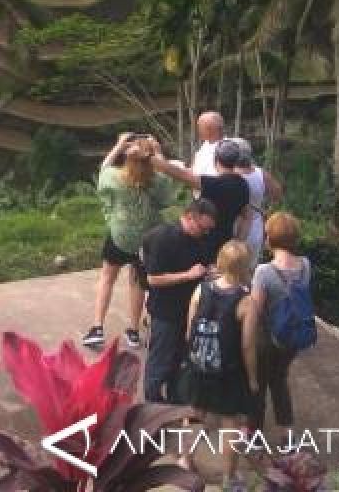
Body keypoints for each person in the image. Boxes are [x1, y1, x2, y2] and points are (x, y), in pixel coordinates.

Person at [83, 133, 172, 351]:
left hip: (120, 236)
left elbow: (102, 170)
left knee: (107, 278)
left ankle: (97, 328)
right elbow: (165, 199)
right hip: (147, 239)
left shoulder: (114, 177)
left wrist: (118, 145)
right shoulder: (159, 180)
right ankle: (133, 331)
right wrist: (158, 152)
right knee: (138, 282)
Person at [185, 239, 260, 491]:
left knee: (195, 416)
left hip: (199, 365)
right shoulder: (246, 301)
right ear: (245, 267)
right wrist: (252, 378)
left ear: (220, 261)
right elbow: (248, 346)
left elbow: (190, 330)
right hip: (228, 372)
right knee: (231, 424)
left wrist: (194, 355)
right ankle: (229, 477)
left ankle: (186, 460)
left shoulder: (200, 290)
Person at [140, 198, 217, 403]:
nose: (206, 233)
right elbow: (153, 279)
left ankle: (176, 400)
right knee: (160, 361)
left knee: (180, 360)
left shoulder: (201, 239)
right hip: (166, 311)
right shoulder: (164, 238)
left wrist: (210, 272)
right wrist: (187, 275)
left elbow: (202, 266)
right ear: (190, 218)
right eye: (203, 228)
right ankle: (153, 406)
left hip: (189, 310)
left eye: (209, 230)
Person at [250, 212, 312, 436]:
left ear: (269, 238)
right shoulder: (305, 265)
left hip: (267, 338)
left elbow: (256, 310)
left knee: (257, 385)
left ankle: (255, 437)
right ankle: (288, 433)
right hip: (293, 336)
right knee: (279, 380)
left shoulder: (263, 272)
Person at [149, 139, 249, 264]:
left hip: (203, 240)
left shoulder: (212, 184)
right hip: (226, 243)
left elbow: (171, 171)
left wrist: (152, 153)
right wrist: (237, 241)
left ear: (215, 160)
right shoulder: (243, 185)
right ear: (236, 161)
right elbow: (246, 217)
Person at [229, 137, 283, 268]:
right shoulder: (260, 173)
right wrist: (267, 211)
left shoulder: (227, 174)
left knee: (229, 268)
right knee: (249, 269)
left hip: (232, 225)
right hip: (255, 225)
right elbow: (278, 193)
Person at [191, 111, 225, 177]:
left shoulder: (226, 149)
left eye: (200, 127)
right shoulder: (206, 144)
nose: (198, 131)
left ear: (211, 130)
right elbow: (195, 170)